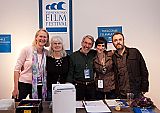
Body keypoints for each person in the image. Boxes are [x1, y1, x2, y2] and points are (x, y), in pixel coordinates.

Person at [12, 28, 50, 101]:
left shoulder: (47, 53)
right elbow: (16, 70)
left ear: (47, 39)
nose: (42, 39)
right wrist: (16, 88)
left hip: (39, 86)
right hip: (24, 84)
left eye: (45, 37)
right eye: (40, 36)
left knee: (38, 108)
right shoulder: (27, 50)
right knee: (17, 106)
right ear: (36, 38)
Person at [111, 32, 149, 99]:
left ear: (123, 40)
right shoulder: (113, 57)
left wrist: (144, 88)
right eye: (115, 40)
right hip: (121, 94)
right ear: (113, 43)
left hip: (136, 92)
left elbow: (144, 70)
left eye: (120, 39)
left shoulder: (134, 52)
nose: (118, 42)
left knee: (136, 109)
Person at [66, 35, 97, 101]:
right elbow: (70, 73)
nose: (87, 46)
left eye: (89, 44)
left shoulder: (94, 54)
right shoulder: (73, 56)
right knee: (78, 107)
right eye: (85, 43)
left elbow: (103, 53)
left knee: (92, 106)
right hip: (78, 86)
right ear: (82, 43)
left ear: (92, 46)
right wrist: (68, 86)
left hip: (91, 86)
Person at [46, 36, 70, 101]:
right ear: (51, 46)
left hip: (64, 88)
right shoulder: (47, 58)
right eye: (55, 43)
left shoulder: (67, 58)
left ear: (62, 45)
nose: (57, 45)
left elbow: (70, 72)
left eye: (59, 43)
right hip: (50, 89)